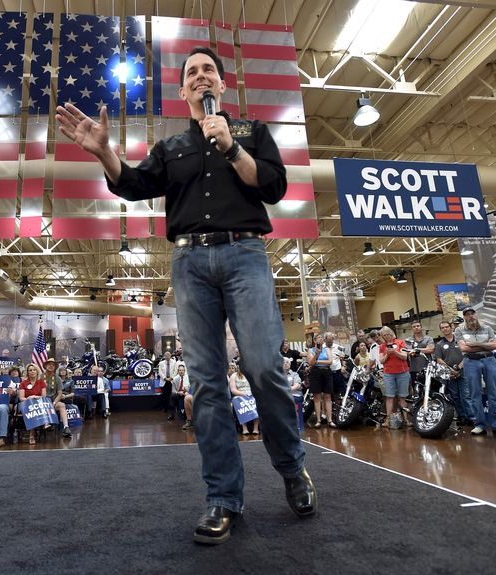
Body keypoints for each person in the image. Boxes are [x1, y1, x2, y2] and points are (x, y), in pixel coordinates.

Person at [56, 45, 315, 545]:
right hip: (189, 262)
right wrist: (104, 152)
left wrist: (232, 148)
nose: (201, 77)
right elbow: (132, 185)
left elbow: (275, 188)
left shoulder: (251, 132)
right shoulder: (170, 147)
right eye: (192, 72)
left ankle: (292, 470)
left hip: (245, 256)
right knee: (207, 385)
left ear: (222, 85)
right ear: (181, 91)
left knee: (264, 368)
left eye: (209, 71)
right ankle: (223, 497)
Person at [455, 308, 496, 435]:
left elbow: (495, 346)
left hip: (489, 360)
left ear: (476, 315)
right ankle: (480, 424)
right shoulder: (459, 330)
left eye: (472, 313)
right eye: (467, 315)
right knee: (475, 394)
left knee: (493, 393)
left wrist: (473, 344)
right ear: (464, 317)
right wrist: (485, 344)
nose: (470, 316)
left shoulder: (487, 328)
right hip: (471, 362)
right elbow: (464, 348)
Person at [434, 320, 472, 425]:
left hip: (463, 371)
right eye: (443, 328)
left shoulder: (460, 340)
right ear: (441, 330)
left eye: (447, 327)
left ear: (451, 328)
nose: (445, 329)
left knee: (466, 395)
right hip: (449, 374)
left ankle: (471, 417)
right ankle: (462, 416)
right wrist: (451, 370)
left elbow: (467, 354)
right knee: (455, 396)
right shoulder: (439, 344)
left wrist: (458, 368)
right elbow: (439, 359)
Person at [378, 326, 411, 428]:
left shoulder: (400, 342)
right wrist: (387, 354)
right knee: (389, 397)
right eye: (384, 335)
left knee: (402, 397)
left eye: (388, 334)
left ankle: (406, 420)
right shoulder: (382, 346)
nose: (387, 337)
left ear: (392, 334)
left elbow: (405, 356)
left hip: (403, 373)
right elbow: (381, 361)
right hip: (388, 374)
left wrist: (395, 352)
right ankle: (388, 420)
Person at [307, 334, 334, 428]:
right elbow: (311, 363)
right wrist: (317, 354)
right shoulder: (311, 350)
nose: (321, 339)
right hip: (315, 373)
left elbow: (330, 362)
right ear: (315, 341)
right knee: (317, 397)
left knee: (327, 396)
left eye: (322, 338)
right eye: (318, 338)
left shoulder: (327, 349)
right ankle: (318, 420)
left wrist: (317, 362)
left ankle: (329, 420)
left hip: (327, 373)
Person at [18, 363, 47, 445]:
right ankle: (32, 434)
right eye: (30, 370)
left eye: (34, 370)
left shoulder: (41, 382)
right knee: (32, 409)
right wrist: (29, 398)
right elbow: (21, 398)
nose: (32, 371)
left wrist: (36, 397)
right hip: (25, 404)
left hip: (38, 404)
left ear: (37, 372)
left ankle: (32, 433)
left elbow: (43, 397)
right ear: (27, 372)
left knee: (35, 408)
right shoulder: (23, 383)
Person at [43, 358, 72, 438]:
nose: (51, 366)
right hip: (43, 401)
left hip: (53, 400)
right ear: (45, 366)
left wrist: (55, 402)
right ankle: (45, 424)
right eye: (49, 364)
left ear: (55, 367)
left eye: (53, 365)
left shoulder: (57, 378)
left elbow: (60, 394)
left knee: (62, 405)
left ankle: (66, 427)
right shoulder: (41, 377)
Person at [229, 362, 259, 435]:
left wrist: (252, 394)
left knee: (257, 401)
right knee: (239, 402)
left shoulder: (253, 374)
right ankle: (244, 428)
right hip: (240, 395)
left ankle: (256, 428)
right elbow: (233, 390)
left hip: (252, 394)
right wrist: (244, 394)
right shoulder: (234, 376)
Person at [157, 351, 178, 418]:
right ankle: (165, 408)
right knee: (165, 395)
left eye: (169, 355)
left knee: (171, 395)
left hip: (172, 381)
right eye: (166, 356)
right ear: (164, 356)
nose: (167, 357)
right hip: (164, 381)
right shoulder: (161, 363)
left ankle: (171, 408)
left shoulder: (174, 362)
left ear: (170, 356)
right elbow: (160, 372)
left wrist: (172, 378)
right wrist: (165, 378)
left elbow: (175, 371)